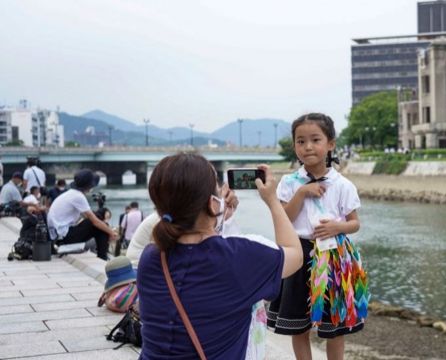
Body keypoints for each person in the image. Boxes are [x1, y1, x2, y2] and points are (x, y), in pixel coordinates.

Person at [136, 154, 303, 359]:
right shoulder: (241, 257)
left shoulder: (151, 257)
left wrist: (216, 219)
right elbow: (294, 254)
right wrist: (272, 201)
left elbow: (198, 248)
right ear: (212, 203)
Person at [267, 113, 369, 360]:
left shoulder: (342, 184)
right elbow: (284, 219)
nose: (308, 146)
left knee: (333, 327)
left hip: (333, 256)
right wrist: (301, 193)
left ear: (331, 144)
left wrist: (337, 227)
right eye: (300, 141)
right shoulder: (289, 183)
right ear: (294, 146)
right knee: (298, 326)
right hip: (297, 255)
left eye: (315, 139)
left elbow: (355, 223)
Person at [47, 169, 118, 260]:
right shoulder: (78, 196)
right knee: (99, 225)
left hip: (58, 235)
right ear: (89, 186)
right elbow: (94, 221)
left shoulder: (70, 193)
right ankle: (102, 257)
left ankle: (102, 255)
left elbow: (87, 216)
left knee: (99, 223)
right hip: (63, 238)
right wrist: (111, 232)